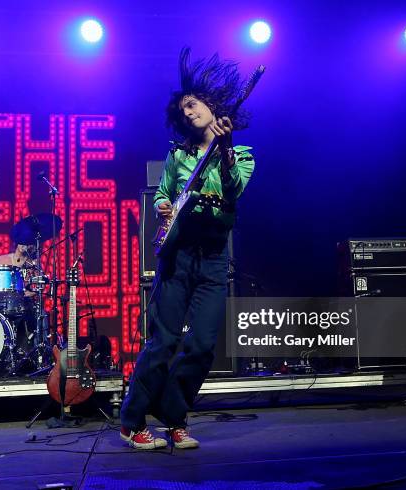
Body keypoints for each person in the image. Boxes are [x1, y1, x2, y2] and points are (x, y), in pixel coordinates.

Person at [120, 47, 256, 449]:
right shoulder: (177, 155)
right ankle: (131, 421)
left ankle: (174, 416)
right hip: (177, 255)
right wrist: (164, 204)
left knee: (202, 344)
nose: (188, 112)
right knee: (162, 341)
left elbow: (233, 192)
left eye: (193, 105)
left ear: (212, 107)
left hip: (214, 258)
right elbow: (164, 195)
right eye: (183, 109)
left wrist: (226, 148)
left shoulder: (241, 155)